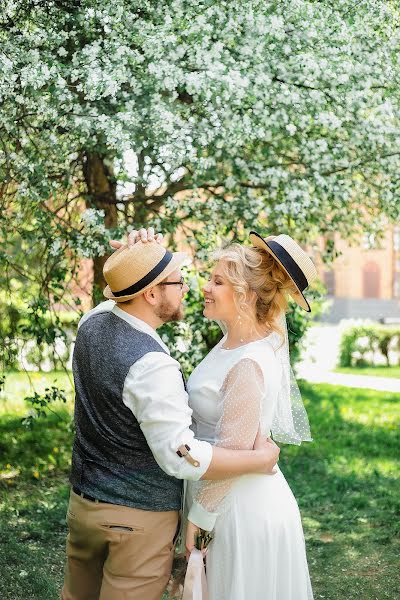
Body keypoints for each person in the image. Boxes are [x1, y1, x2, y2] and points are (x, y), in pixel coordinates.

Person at [61, 233, 280, 600]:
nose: (189, 289)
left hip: (83, 508)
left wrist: (133, 257)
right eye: (179, 282)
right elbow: (181, 453)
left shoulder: (91, 323)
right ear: (150, 294)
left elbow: (117, 288)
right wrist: (256, 458)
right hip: (136, 522)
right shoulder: (151, 364)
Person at [184, 231, 316, 600]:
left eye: (218, 281)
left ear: (247, 295)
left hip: (239, 511)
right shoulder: (233, 341)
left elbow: (237, 451)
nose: (206, 287)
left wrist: (200, 520)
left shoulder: (248, 362)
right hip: (222, 498)